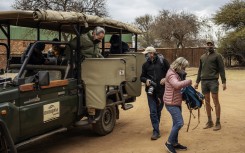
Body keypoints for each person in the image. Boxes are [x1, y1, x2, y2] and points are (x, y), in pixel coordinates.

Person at [194, 40, 226, 131]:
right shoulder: (202, 57)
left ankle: (218, 122)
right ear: (206, 46)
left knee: (215, 101)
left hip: (213, 81)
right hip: (204, 82)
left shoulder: (217, 56)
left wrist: (224, 82)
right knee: (207, 101)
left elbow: (221, 69)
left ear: (213, 45)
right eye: (207, 44)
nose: (209, 46)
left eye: (210, 44)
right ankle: (210, 121)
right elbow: (200, 70)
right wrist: (197, 82)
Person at [140, 46, 170, 140]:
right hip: (150, 91)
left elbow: (171, 72)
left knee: (158, 111)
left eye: (147, 54)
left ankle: (156, 128)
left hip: (161, 91)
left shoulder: (163, 62)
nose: (146, 56)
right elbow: (142, 77)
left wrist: (166, 79)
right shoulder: (145, 65)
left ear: (152, 53)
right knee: (153, 112)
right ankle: (156, 131)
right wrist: (146, 80)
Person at [163, 57, 192, 153]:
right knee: (179, 123)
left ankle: (175, 143)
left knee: (176, 123)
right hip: (171, 103)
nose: (184, 69)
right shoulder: (171, 74)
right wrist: (188, 81)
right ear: (179, 65)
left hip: (175, 101)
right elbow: (176, 85)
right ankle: (169, 143)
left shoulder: (175, 73)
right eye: (183, 67)